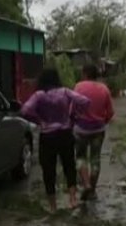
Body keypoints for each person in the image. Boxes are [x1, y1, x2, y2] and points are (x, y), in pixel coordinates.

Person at [21, 69, 90, 212]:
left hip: (47, 136)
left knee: (48, 170)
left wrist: (39, 120)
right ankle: (72, 199)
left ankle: (53, 207)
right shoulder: (65, 92)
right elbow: (84, 101)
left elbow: (25, 110)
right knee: (69, 166)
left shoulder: (39, 95)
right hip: (65, 133)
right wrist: (74, 116)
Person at [74, 64, 115, 201]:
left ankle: (86, 184)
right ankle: (92, 190)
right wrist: (103, 122)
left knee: (80, 157)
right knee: (95, 159)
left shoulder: (78, 87)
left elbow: (72, 108)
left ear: (85, 73)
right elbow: (110, 112)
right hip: (98, 130)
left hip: (80, 130)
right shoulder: (104, 89)